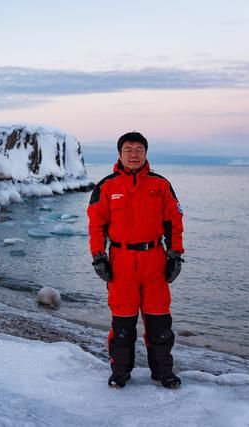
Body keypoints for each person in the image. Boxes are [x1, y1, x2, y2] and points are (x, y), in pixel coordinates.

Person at [87, 131, 185, 389]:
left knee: (159, 322)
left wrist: (176, 255)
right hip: (121, 263)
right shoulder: (107, 186)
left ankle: (163, 372)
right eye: (128, 149)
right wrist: (99, 257)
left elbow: (174, 223)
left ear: (145, 153)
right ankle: (120, 372)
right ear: (120, 154)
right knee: (122, 323)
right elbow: (96, 226)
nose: (134, 154)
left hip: (154, 261)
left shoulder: (160, 185)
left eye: (139, 149)